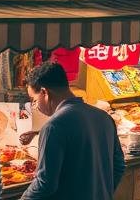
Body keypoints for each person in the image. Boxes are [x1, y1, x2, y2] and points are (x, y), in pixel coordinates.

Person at [20, 61, 125, 200]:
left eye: (34, 99)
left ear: (45, 92)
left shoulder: (54, 127)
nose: (35, 106)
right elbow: (119, 166)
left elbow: (45, 183)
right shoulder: (104, 117)